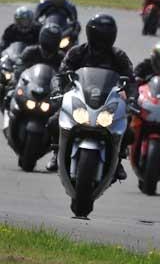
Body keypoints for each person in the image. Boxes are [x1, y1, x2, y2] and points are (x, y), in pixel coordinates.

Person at [45, 14, 135, 180]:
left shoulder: (119, 56)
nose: (103, 39)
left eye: (106, 35)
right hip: (80, 99)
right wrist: (57, 90)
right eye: (100, 35)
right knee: (53, 122)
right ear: (91, 34)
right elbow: (60, 75)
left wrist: (132, 99)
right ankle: (56, 151)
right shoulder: (77, 52)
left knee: (128, 130)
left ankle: (119, 159)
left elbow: (131, 81)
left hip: (108, 102)